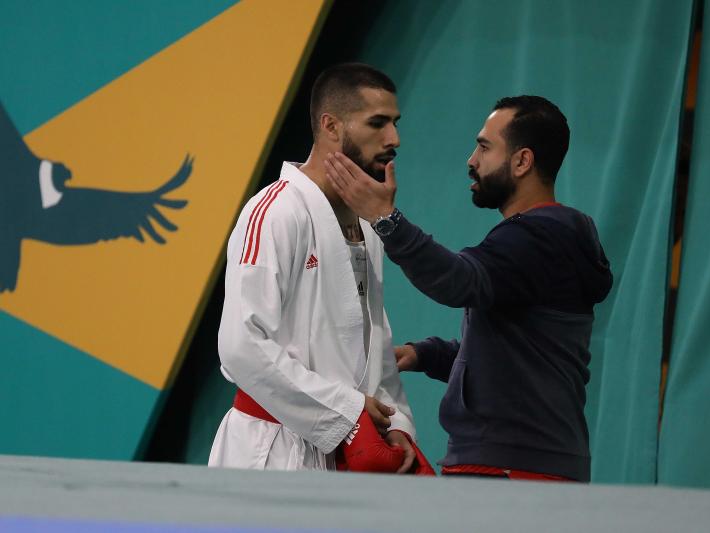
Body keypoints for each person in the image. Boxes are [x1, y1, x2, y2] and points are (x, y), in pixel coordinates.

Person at [325, 95, 613, 481]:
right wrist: (425, 355)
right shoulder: (548, 239)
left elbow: (457, 282)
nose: (471, 161)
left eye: (484, 147)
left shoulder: (538, 237)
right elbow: (515, 358)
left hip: (512, 471)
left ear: (522, 161)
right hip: (525, 465)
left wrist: (384, 218)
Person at [209, 63, 433, 475]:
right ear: (331, 125)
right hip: (273, 451)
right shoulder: (275, 211)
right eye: (377, 123)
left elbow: (373, 348)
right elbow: (241, 345)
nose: (394, 139)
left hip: (349, 446)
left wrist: (396, 422)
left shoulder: (368, 224)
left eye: (395, 123)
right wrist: (346, 411)